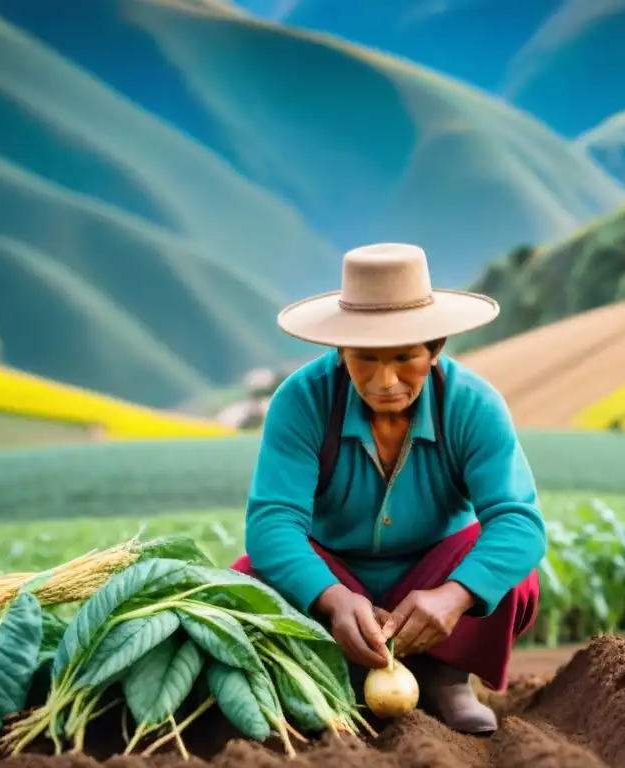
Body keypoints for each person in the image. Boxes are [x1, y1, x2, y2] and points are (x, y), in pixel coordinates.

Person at [231, 243, 545, 734]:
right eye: (365, 359)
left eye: (405, 358)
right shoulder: (301, 401)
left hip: (435, 570)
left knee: (512, 575)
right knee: (250, 577)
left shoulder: (473, 405)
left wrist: (454, 595)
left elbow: (519, 522)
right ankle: (344, 674)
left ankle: (446, 678)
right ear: (340, 352)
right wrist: (331, 597)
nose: (385, 380)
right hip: (336, 572)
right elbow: (273, 524)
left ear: (436, 347)